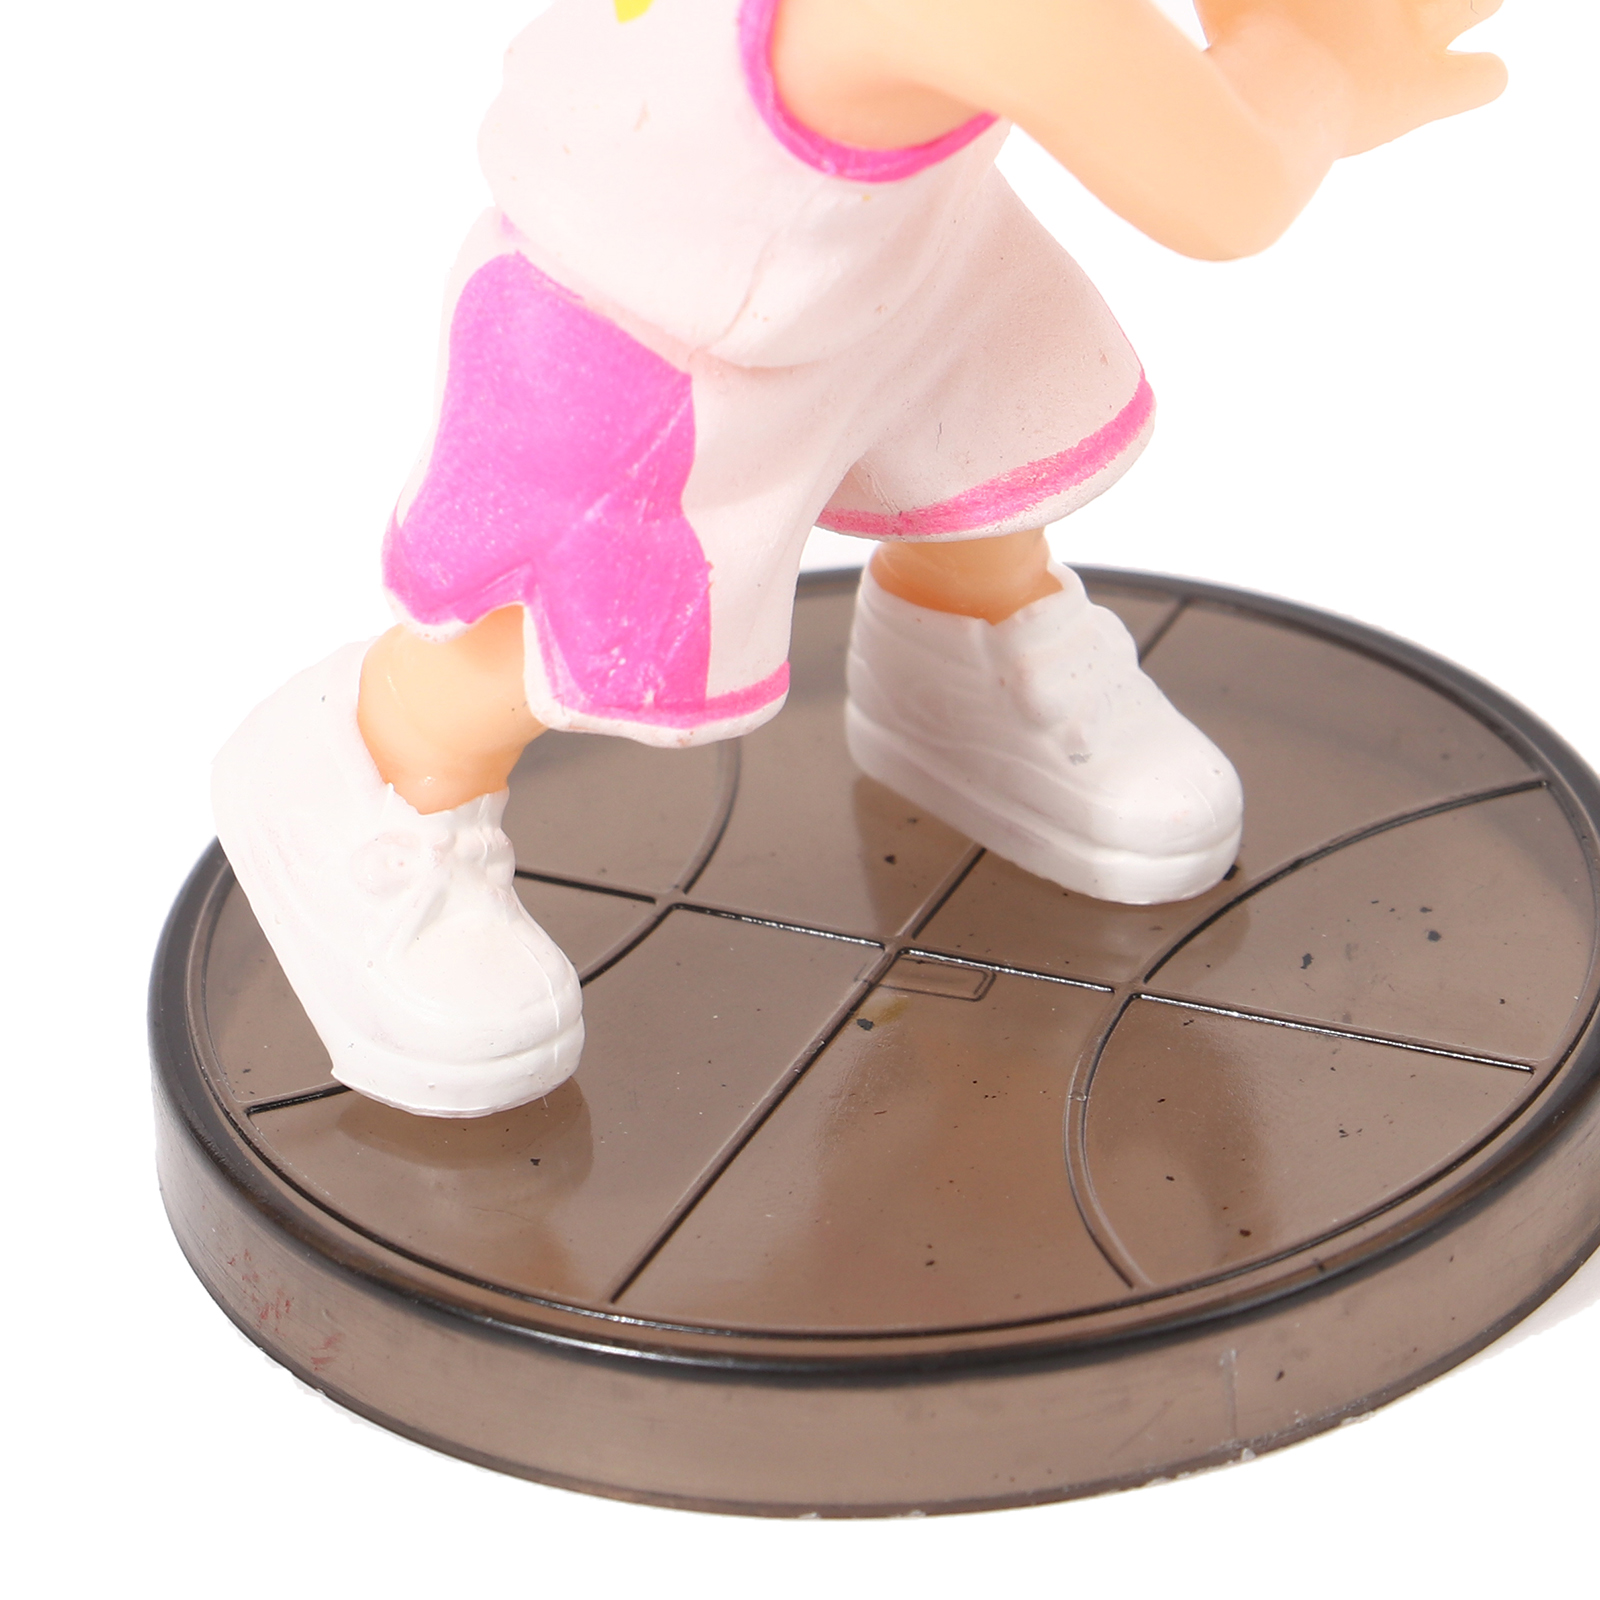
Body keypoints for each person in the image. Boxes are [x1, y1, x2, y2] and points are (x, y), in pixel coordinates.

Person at [213, 0, 1506, 1117]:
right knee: (575, 624)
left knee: (985, 416)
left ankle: (965, 636)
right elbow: (1228, 189)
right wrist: (1328, 57)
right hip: (652, 335)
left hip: (876, 240)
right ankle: (374, 763)